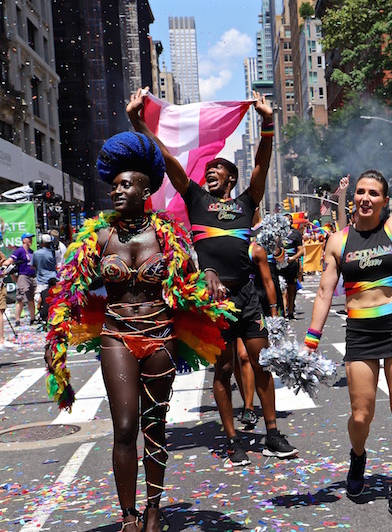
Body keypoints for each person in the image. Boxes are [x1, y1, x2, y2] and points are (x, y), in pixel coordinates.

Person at [44, 131, 239, 532]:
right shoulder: (97, 235)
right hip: (116, 335)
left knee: (154, 424)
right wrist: (56, 338)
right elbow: (67, 289)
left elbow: (193, 273)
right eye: (114, 185)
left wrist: (212, 275)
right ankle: (129, 515)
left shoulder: (168, 235)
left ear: (146, 189)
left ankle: (153, 507)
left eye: (126, 184)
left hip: (161, 337)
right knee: (126, 427)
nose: (117, 191)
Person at [127, 87, 297, 465]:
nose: (210, 173)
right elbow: (166, 157)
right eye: (207, 171)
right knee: (222, 370)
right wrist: (137, 121)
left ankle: (271, 433)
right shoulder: (196, 199)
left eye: (217, 169)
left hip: (247, 298)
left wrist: (267, 122)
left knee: (261, 364)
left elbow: (262, 164)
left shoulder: (246, 201)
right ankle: (233, 438)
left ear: (232, 177)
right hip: (213, 302)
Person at [305, 127, 392, 522]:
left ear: (383, 200)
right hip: (360, 331)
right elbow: (326, 291)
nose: (364, 198)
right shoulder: (337, 241)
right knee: (362, 415)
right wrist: (311, 339)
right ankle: (357, 456)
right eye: (360, 191)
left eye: (372, 193)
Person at [235, 239, 281, 427]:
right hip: (231, 306)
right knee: (242, 356)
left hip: (256, 306)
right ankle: (248, 407)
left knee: (256, 359)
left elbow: (268, 282)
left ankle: (258, 408)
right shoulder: (224, 247)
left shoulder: (256, 250)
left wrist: (274, 312)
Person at [280, 214, 304, 319]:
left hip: (292, 265)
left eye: (289, 220)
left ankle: (290, 311)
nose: (287, 222)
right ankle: (283, 312)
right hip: (280, 265)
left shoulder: (296, 233)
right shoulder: (277, 232)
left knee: (291, 288)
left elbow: (301, 251)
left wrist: (293, 258)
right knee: (282, 289)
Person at [10, 232, 37, 326]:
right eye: (28, 238)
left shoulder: (32, 252)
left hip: (32, 276)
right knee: (20, 298)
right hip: (23, 276)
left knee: (31, 298)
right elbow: (11, 260)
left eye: (31, 238)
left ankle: (33, 319)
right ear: (24, 240)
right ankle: (17, 320)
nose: (31, 240)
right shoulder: (19, 251)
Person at [32, 234, 59, 319]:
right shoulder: (53, 252)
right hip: (53, 279)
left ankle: (42, 316)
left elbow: (33, 265)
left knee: (39, 299)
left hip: (41, 280)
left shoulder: (36, 253)